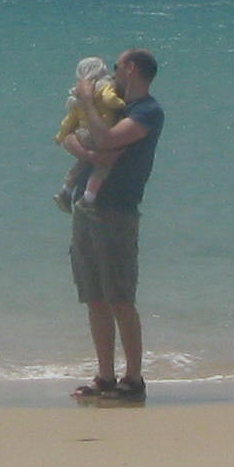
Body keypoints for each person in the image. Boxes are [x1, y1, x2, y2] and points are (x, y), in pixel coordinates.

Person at [61, 47, 163, 404]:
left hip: (117, 211)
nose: (113, 72)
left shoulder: (147, 111)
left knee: (120, 297)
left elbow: (107, 139)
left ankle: (133, 379)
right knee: (94, 297)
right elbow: (72, 135)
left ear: (131, 69)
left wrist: (89, 102)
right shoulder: (113, 105)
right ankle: (105, 375)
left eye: (117, 66)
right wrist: (89, 154)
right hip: (87, 207)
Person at [51, 56, 125, 211]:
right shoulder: (104, 86)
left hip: (82, 133)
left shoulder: (77, 96)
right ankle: (88, 198)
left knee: (82, 163)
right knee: (103, 166)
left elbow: (69, 121)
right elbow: (109, 99)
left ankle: (65, 191)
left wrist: (60, 136)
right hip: (97, 132)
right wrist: (121, 104)